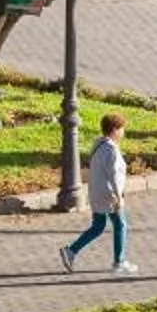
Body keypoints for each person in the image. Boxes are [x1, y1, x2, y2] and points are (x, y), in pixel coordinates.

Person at [58, 113, 134, 275]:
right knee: (121, 225)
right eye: (122, 129)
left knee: (98, 226)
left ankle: (71, 251)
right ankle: (119, 262)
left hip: (97, 193)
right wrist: (118, 196)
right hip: (109, 195)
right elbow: (113, 175)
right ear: (114, 130)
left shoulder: (99, 144)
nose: (123, 132)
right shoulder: (111, 150)